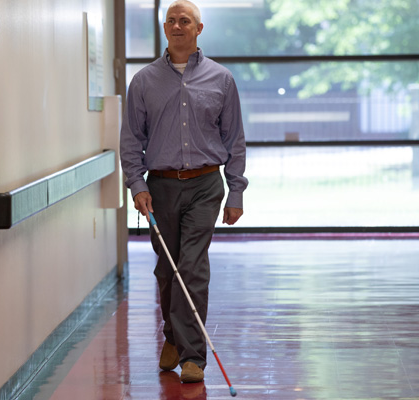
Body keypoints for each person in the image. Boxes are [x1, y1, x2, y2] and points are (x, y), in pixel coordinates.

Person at [119, 0, 248, 384]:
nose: (177, 25)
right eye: (171, 21)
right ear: (165, 29)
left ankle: (194, 357)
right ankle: (173, 337)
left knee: (191, 266)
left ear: (199, 29)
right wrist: (137, 186)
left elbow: (235, 140)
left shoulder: (222, 80)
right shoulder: (143, 81)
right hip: (159, 186)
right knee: (167, 269)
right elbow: (131, 141)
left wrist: (236, 191)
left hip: (206, 184)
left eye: (185, 20)